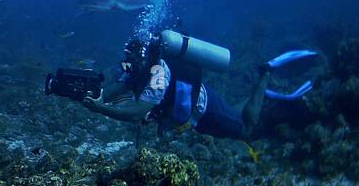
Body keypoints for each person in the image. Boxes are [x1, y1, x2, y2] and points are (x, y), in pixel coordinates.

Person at [82, 32, 317, 139]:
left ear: (144, 59)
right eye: (128, 61)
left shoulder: (157, 74)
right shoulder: (139, 72)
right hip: (196, 117)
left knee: (246, 130)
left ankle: (266, 74)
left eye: (133, 61)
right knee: (234, 114)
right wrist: (96, 97)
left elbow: (136, 113)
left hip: (206, 111)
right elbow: (114, 92)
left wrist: (100, 109)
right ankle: (260, 93)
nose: (128, 66)